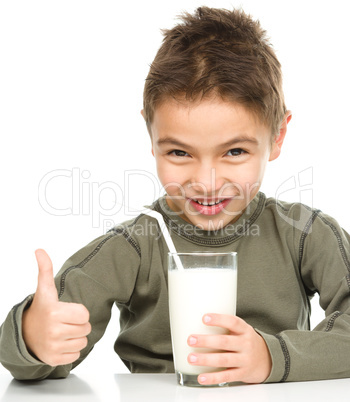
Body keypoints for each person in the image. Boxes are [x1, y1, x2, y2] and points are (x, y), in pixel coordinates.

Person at [1, 6, 350, 386]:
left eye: (234, 152)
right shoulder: (135, 245)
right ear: (151, 138)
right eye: (179, 153)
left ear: (277, 137)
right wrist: (35, 339)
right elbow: (29, 355)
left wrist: (272, 358)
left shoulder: (304, 234)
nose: (205, 182)